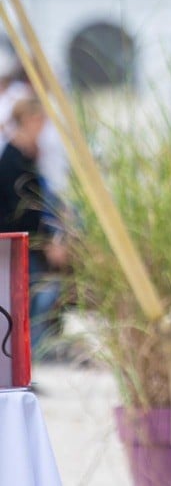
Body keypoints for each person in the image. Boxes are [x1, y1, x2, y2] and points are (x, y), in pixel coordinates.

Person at [0, 97, 68, 356]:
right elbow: (22, 210)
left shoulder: (26, 156)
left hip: (30, 243)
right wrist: (48, 242)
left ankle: (29, 358)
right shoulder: (12, 160)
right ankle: (27, 357)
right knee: (32, 300)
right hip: (19, 245)